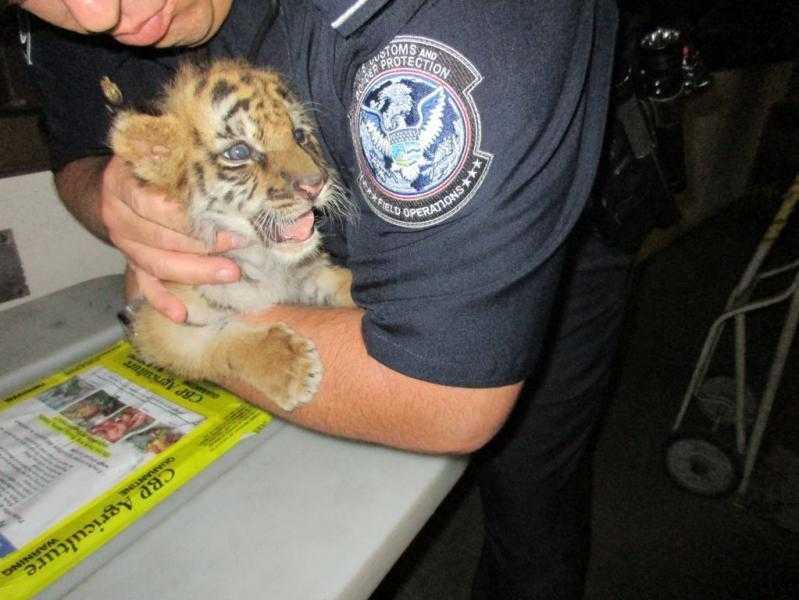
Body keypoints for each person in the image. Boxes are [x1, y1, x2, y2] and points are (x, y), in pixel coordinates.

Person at [18, 1, 632, 597]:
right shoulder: (74, 21)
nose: (96, 14)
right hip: (316, 257)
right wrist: (112, 197)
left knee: (532, 495)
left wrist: (217, 337)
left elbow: (439, 394)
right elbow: (77, 149)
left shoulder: (451, 19)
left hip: (522, 255)